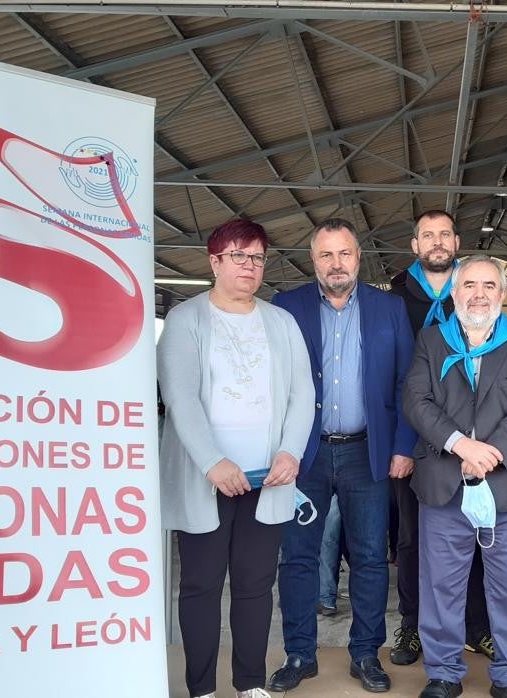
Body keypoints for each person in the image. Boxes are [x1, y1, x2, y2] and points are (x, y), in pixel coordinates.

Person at [158, 218, 315, 698]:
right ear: (215, 262)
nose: (249, 266)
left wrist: (291, 451)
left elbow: (302, 394)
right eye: (238, 256)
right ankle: (201, 687)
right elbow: (180, 397)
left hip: (268, 479)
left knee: (254, 584)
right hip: (206, 478)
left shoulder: (280, 321)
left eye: (257, 257)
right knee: (202, 585)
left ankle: (249, 683)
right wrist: (211, 461)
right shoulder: (187, 320)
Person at [269, 219, 417, 693]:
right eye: (326, 255)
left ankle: (364, 654)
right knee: (297, 557)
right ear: (313, 260)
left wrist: (401, 446)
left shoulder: (388, 309)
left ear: (359, 257)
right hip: (303, 455)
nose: (337, 264)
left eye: (345, 254)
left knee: (371, 557)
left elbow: (406, 383)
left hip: (366, 452)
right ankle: (299, 654)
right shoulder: (286, 307)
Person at [403, 255, 507, 698]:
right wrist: (460, 445)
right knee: (442, 587)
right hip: (444, 484)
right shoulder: (432, 340)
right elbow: (416, 399)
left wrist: (493, 452)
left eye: (489, 286)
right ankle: (444, 674)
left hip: (505, 487)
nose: (479, 294)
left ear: (502, 296)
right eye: (469, 285)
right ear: (454, 292)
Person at [387, 210, 494, 664]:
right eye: (427, 235)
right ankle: (412, 625)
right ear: (415, 245)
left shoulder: (471, 294)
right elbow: (392, 376)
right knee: (412, 539)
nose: (437, 242)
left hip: (470, 442)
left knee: (474, 533)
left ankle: (475, 626)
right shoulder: (393, 299)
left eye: (444, 234)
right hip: (412, 438)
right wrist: (400, 443)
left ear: (456, 241)